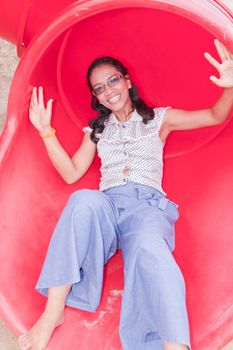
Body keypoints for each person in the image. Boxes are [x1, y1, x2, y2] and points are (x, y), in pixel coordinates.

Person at [18, 39, 233, 350]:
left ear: (127, 80)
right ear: (96, 97)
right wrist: (45, 131)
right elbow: (71, 173)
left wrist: (229, 87)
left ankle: (173, 344)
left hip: (145, 208)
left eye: (113, 80)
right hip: (108, 206)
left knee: (150, 248)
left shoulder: (161, 119)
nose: (109, 90)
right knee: (82, 200)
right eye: (100, 88)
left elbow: (214, 116)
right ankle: (53, 314)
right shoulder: (97, 129)